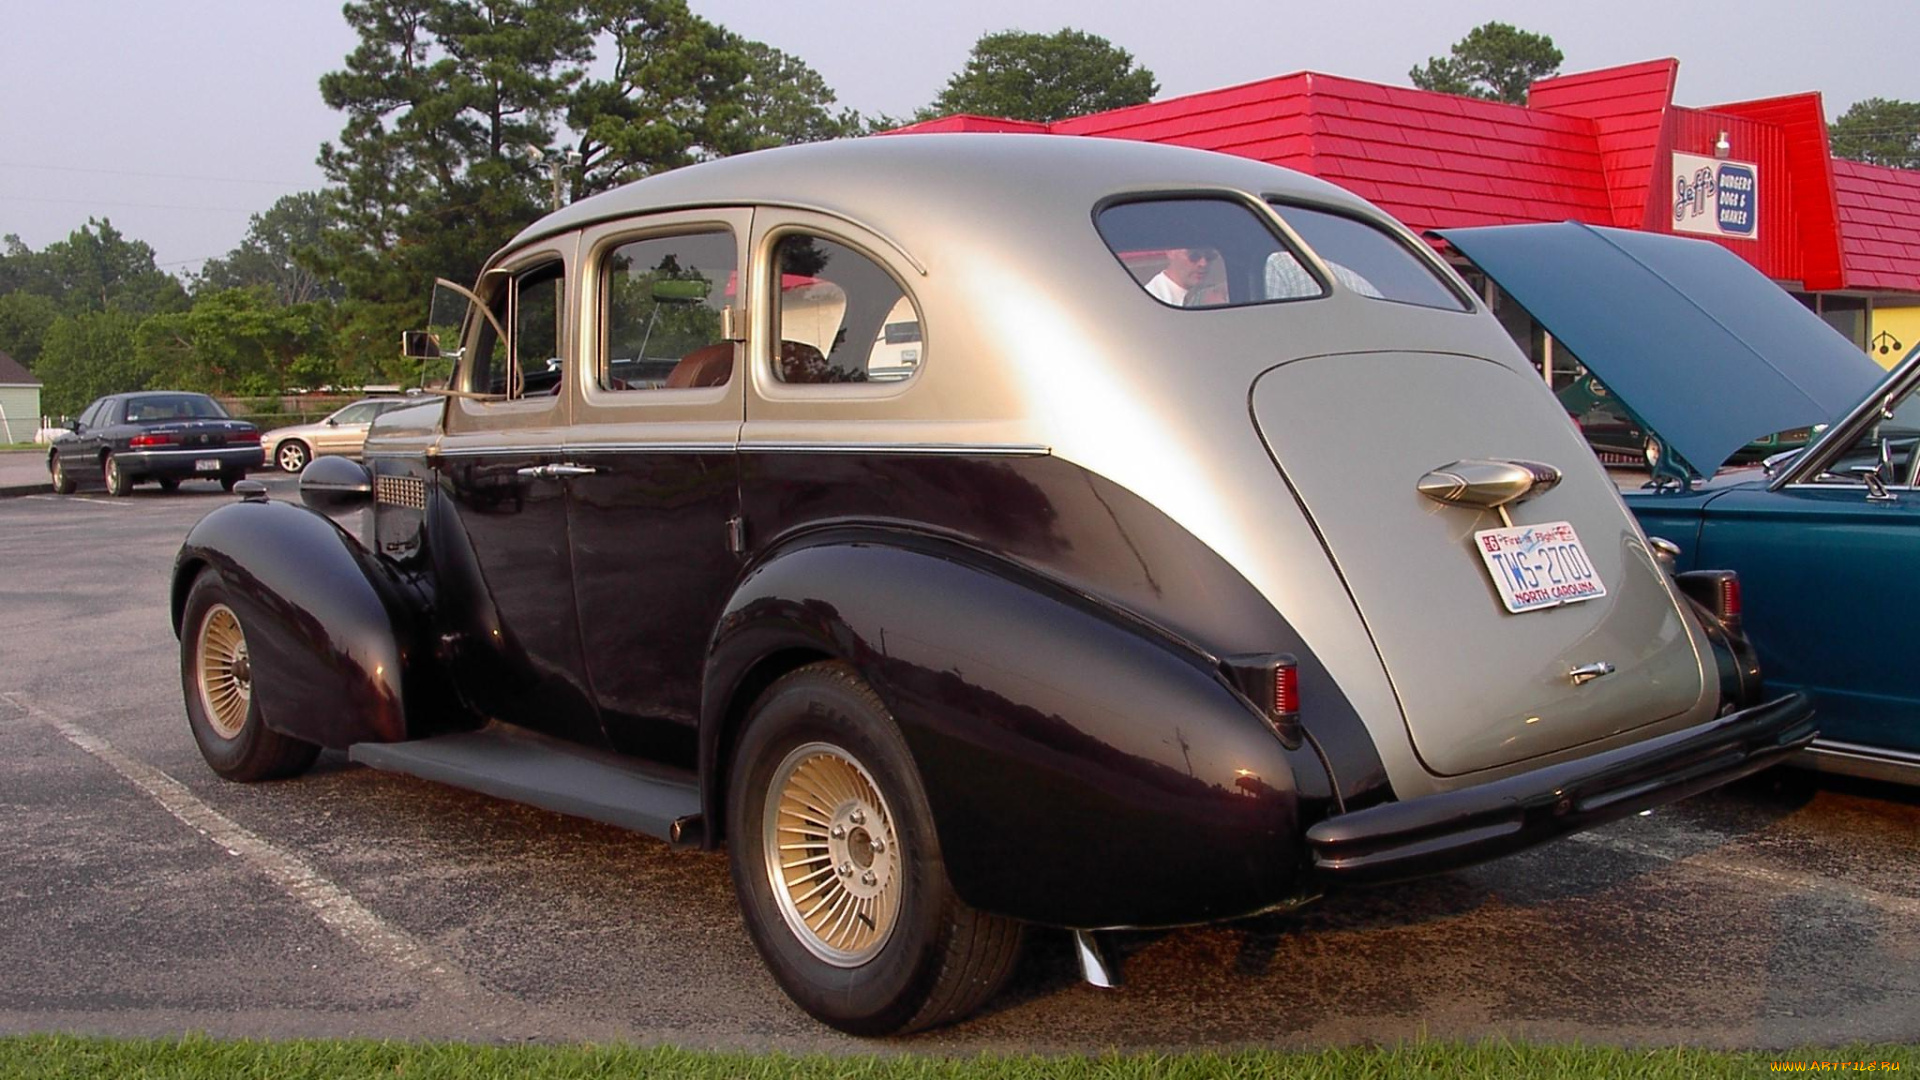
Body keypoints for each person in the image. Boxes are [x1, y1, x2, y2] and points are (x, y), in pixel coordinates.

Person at [1145, 248, 1213, 306]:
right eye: (1194, 255)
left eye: (1209, 256)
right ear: (1171, 252)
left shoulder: (1211, 295)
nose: (1203, 264)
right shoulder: (1152, 300)